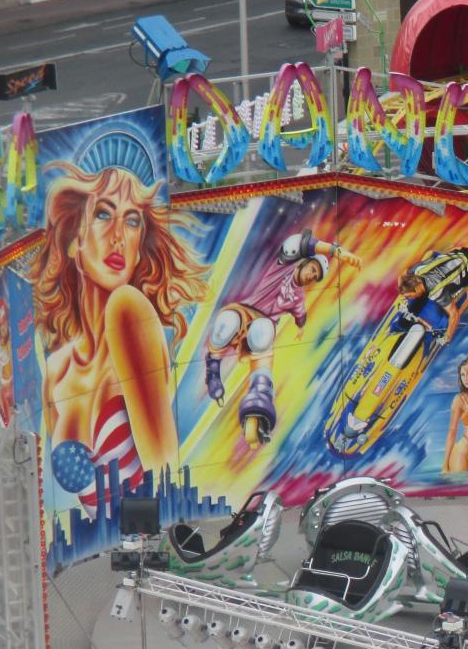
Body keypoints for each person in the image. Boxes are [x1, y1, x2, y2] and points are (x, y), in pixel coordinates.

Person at [34, 160, 209, 518]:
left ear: (139, 246)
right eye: (103, 214)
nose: (118, 236)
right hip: (108, 543)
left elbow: (163, 470)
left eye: (132, 221)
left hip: (145, 539)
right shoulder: (56, 369)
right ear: (74, 241)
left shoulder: (129, 312)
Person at [205, 229, 361, 446]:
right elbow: (298, 243)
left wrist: (301, 328)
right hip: (245, 311)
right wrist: (336, 251)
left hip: (263, 328)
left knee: (263, 332)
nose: (311, 276)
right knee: (227, 321)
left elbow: (300, 315)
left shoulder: (298, 298)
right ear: (304, 263)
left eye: (315, 277)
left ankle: (259, 397)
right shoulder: (283, 266)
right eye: (312, 269)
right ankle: (212, 366)